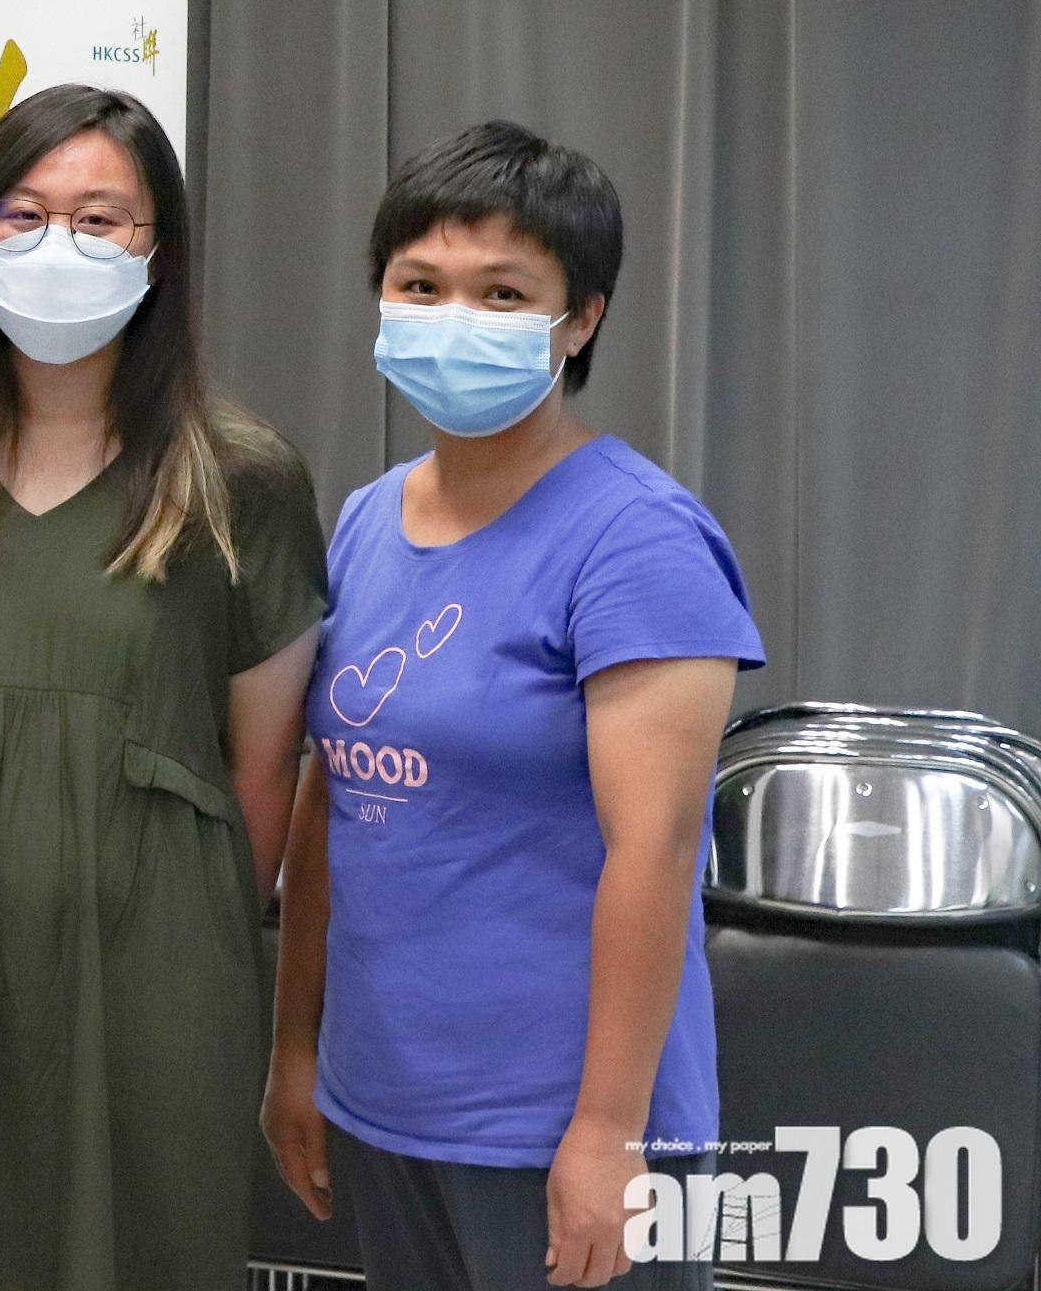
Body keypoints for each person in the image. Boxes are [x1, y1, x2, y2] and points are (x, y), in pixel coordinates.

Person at [0, 83, 326, 1291]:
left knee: (141, 1242)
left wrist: (168, 914)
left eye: (101, 218)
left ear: (160, 248)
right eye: (24, 212)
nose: (60, 243)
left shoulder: (240, 479)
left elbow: (263, 771)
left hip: (155, 964)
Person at [263, 121, 765, 1291]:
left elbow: (656, 849)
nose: (454, 318)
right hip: (388, 1098)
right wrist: (296, 1047)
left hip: (558, 1124)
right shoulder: (365, 518)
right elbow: (331, 801)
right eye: (420, 285)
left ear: (579, 318)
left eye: (501, 293)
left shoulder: (636, 538)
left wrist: (609, 1130)